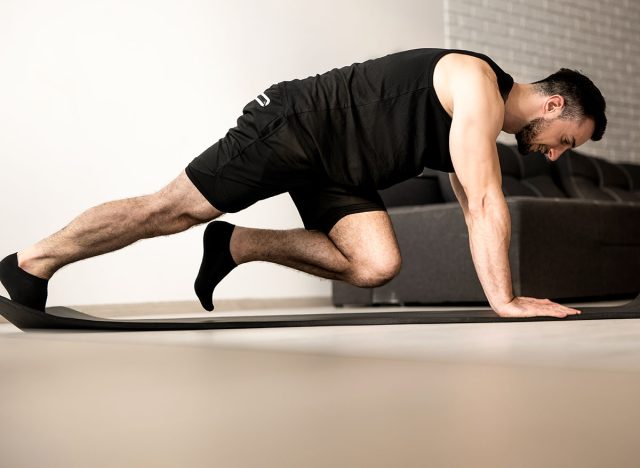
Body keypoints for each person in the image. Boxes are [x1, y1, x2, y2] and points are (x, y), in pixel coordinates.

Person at [0, 48, 606, 318]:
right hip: (297, 126)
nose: (555, 156)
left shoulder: (477, 121)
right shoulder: (476, 83)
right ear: (553, 104)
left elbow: (475, 210)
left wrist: (499, 296)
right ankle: (29, 263)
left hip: (342, 172)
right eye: (567, 141)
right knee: (171, 209)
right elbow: (483, 199)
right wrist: (503, 301)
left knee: (374, 265)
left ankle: (234, 245)